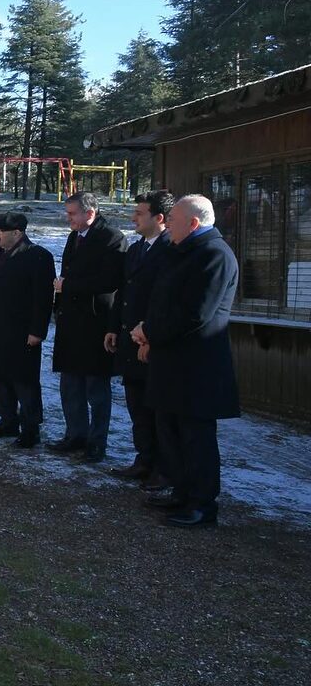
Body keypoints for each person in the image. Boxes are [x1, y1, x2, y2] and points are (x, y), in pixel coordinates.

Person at [132, 194, 239, 528]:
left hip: (197, 368)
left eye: (174, 220)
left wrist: (149, 332)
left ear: (193, 223)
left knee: (196, 438)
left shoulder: (213, 255)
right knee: (171, 432)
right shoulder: (181, 252)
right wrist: (149, 334)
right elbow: (162, 301)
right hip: (171, 362)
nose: (168, 225)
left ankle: (202, 504)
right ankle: (181, 492)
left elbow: (195, 314)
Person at [47, 191, 127, 464]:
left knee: (96, 388)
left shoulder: (112, 238)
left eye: (71, 214)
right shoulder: (74, 237)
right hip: (71, 322)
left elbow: (110, 280)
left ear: (89, 213)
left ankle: (96, 443)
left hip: (95, 323)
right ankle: (75, 435)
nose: (67, 219)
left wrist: (68, 286)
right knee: (70, 385)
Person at [104, 191, 173, 486]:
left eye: (140, 213)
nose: (133, 218)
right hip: (129, 339)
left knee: (159, 409)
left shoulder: (171, 250)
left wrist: (150, 337)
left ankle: (165, 467)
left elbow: (165, 301)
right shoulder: (135, 250)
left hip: (153, 342)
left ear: (159, 218)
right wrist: (113, 327)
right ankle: (144, 459)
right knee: (136, 405)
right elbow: (124, 293)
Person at [0, 212, 56, 448]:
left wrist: (37, 331)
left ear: (18, 233)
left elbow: (43, 299)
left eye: (2, 231)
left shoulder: (38, 256)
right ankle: (7, 420)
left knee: (24, 380)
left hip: (21, 331)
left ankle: (30, 429)